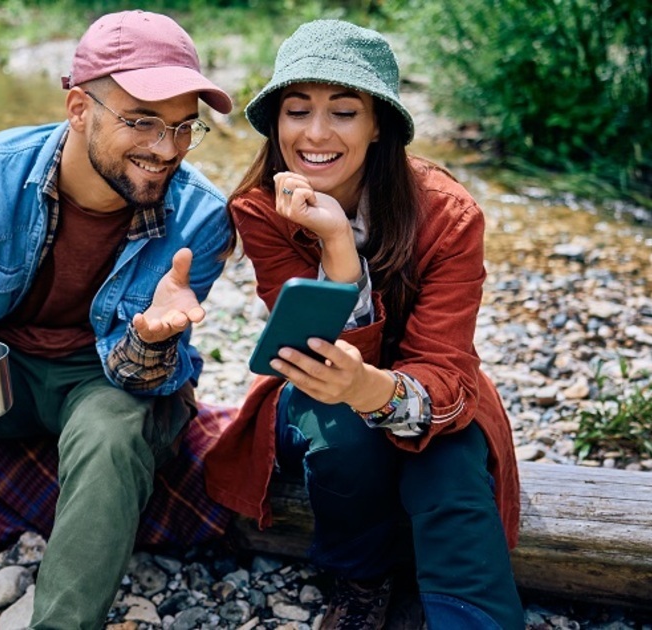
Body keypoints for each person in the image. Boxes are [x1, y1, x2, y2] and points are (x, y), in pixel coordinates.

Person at [0, 11, 235, 630]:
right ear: (79, 108)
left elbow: (141, 381)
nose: (165, 149)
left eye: (182, 127)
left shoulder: (202, 216)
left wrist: (147, 338)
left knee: (114, 436)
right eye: (141, 121)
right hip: (5, 371)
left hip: (107, 378)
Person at [203, 19, 524, 630]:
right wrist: (335, 246)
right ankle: (360, 579)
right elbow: (309, 352)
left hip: (436, 390)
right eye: (297, 110)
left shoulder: (450, 215)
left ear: (379, 125)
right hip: (317, 392)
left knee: (450, 464)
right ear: (276, 121)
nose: (315, 133)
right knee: (337, 427)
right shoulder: (260, 209)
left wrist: (375, 390)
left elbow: (444, 359)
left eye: (344, 112)